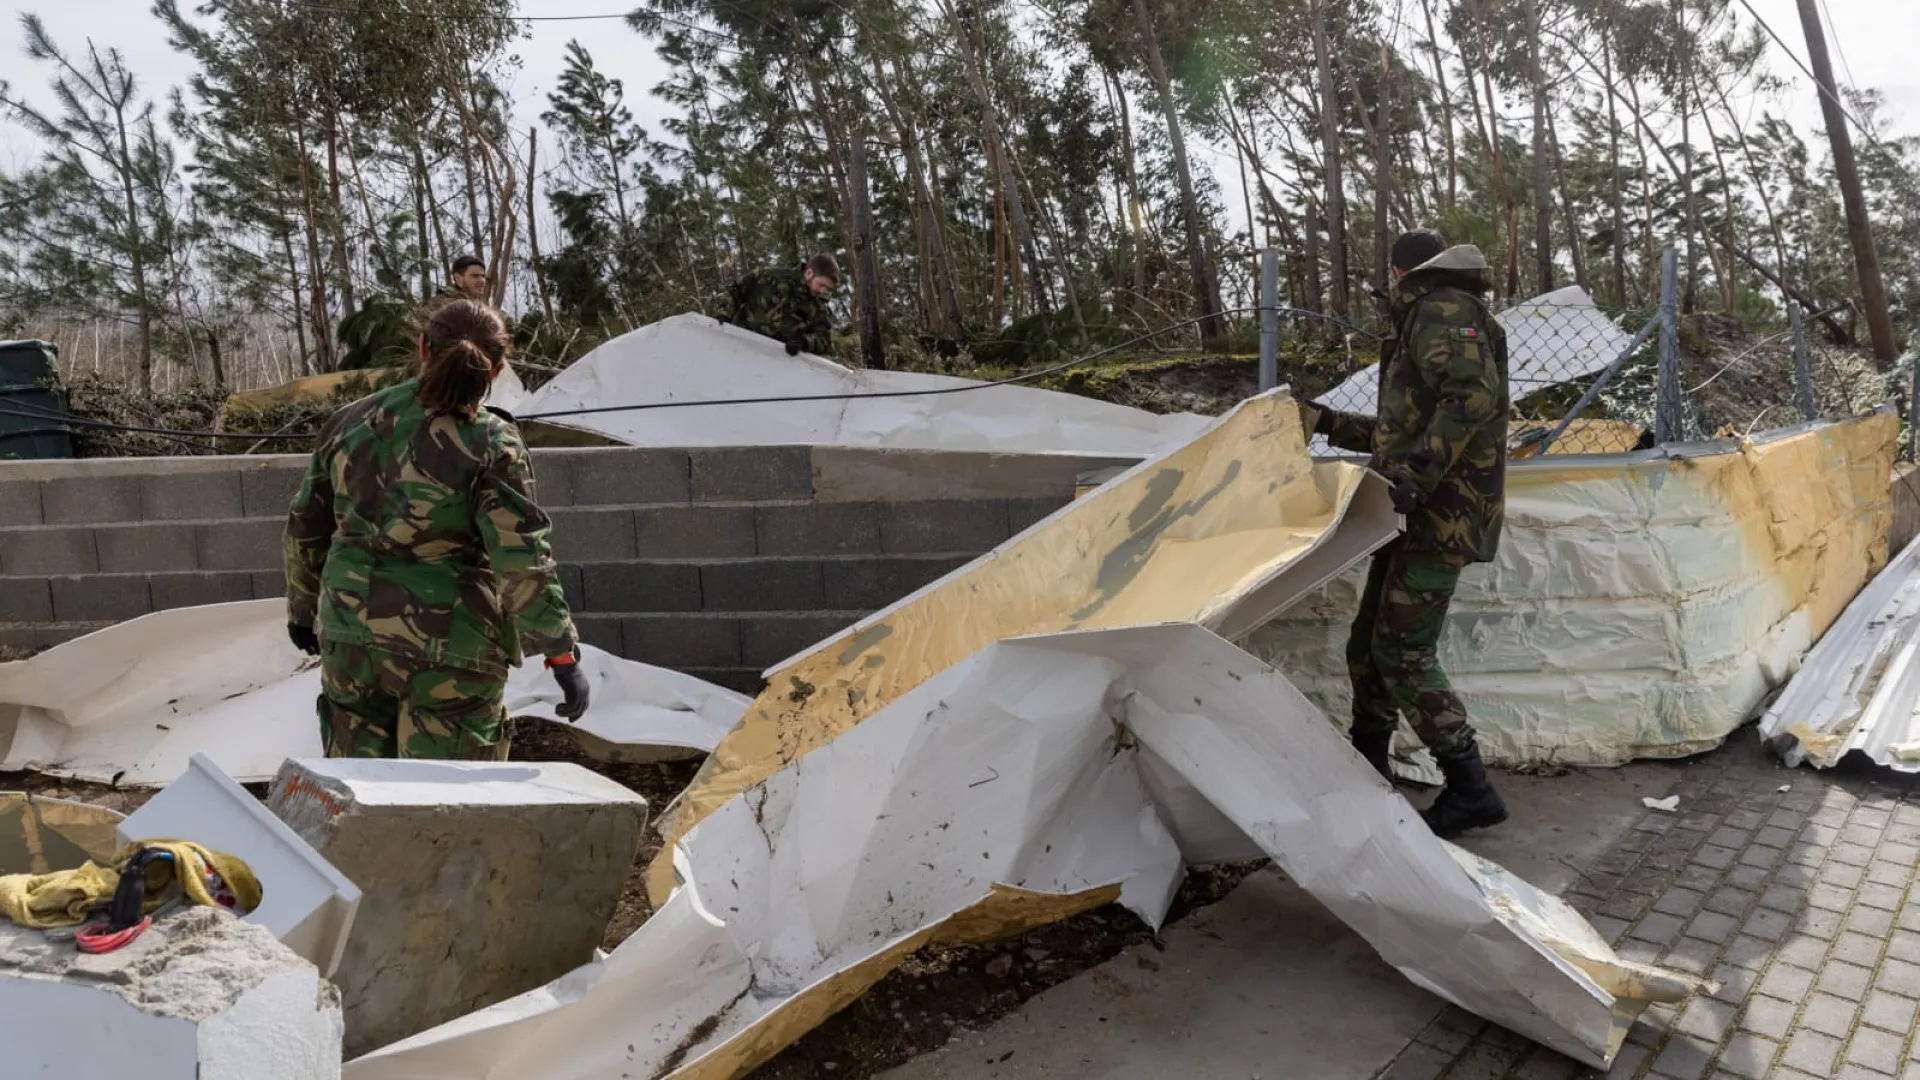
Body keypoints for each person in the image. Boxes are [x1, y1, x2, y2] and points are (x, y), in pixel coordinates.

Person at [283, 299, 589, 760]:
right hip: (451, 645)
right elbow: (521, 557)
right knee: (450, 807)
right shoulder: (491, 440)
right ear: (499, 366)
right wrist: (560, 650)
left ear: (423, 346)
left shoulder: (347, 423)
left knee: (357, 799)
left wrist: (302, 611)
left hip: (351, 638)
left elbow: (306, 527)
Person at [1303, 229, 1510, 838]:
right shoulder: (1428, 313)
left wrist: (1416, 480)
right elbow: (1408, 428)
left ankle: (1471, 787)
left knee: (1402, 652)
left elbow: (1471, 398)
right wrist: (1326, 423)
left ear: (1399, 272)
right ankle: (1366, 764)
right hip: (1411, 513)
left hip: (1437, 514)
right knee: (1369, 643)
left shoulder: (1442, 309)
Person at [726, 253, 838, 356]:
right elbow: (734, 291)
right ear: (809, 273)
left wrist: (805, 342)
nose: (822, 291)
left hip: (777, 362)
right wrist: (723, 313)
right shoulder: (768, 277)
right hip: (738, 348)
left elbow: (824, 339)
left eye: (827, 288)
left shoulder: (819, 307)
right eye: (821, 284)